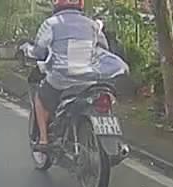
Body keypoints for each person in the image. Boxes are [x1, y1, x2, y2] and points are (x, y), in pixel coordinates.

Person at [22, 0, 128, 151]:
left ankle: (44, 140)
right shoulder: (92, 25)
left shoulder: (51, 24)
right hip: (89, 80)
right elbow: (103, 48)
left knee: (40, 99)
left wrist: (27, 49)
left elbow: (39, 52)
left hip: (61, 80)